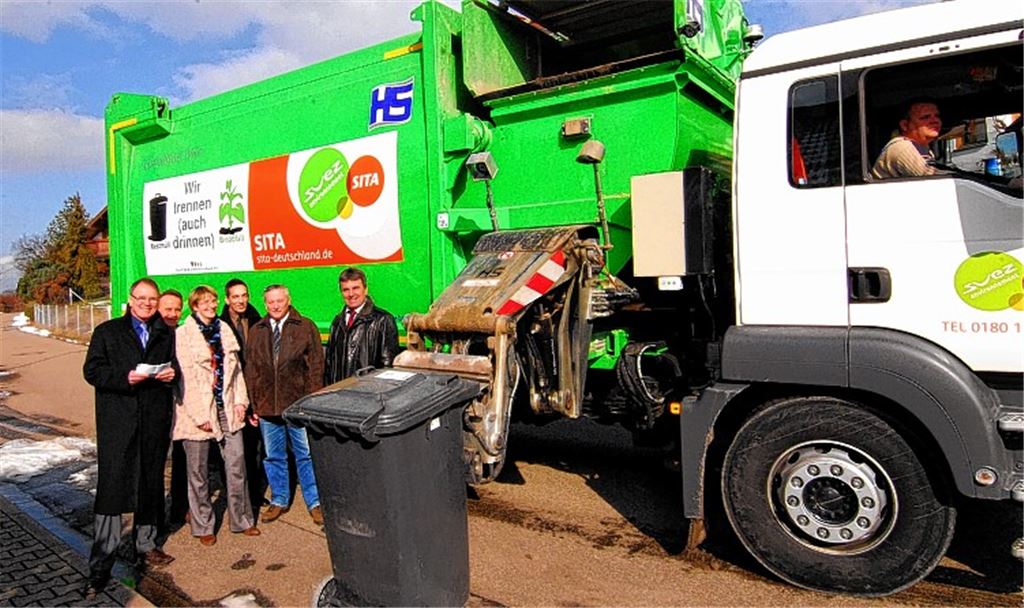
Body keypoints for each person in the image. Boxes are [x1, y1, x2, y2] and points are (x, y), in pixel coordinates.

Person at [82, 278, 176, 599]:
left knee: (149, 484)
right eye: (142, 298)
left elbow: (173, 365)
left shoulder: (165, 332)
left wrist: (170, 373)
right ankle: (100, 565)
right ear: (130, 299)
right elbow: (92, 371)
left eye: (153, 300)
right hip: (118, 424)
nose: (147, 304)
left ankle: (146, 545)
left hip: (153, 421)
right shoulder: (107, 332)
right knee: (113, 490)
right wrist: (125, 378)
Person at [173, 285, 259, 545]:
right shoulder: (183, 334)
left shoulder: (223, 329)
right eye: (204, 303)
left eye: (213, 301)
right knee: (197, 472)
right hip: (196, 411)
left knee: (237, 464)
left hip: (227, 406)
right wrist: (200, 415)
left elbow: (236, 372)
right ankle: (203, 525)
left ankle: (241, 519)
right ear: (195, 306)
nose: (210, 306)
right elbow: (184, 379)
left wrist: (241, 402)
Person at [245, 284, 325, 525]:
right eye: (271, 302)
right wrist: (254, 403)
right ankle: (279, 499)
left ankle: (315, 502)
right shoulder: (257, 330)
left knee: (306, 455)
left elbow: (316, 367)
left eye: (280, 300)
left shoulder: (305, 326)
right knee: (273, 456)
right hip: (268, 407)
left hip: (297, 405)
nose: (276, 305)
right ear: (265, 304)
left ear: (288, 300)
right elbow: (251, 370)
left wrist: (310, 402)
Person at [217, 278, 266, 515]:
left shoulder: (255, 319)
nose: (240, 300)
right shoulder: (219, 325)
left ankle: (255, 495)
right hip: (232, 393)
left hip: (254, 388)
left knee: (255, 446)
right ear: (227, 299)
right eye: (235, 296)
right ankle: (236, 495)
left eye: (244, 295)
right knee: (235, 450)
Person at [324, 267, 400, 385]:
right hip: (338, 395)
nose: (351, 294)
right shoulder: (337, 322)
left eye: (355, 288)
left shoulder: (383, 320)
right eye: (346, 290)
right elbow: (329, 364)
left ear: (365, 289)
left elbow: (388, 366)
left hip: (366, 395)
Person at [158, 289, 190, 526]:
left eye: (177, 309)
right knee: (156, 463)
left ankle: (180, 508)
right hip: (156, 407)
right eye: (168, 309)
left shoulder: (181, 334)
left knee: (182, 459)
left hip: (180, 406)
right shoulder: (154, 333)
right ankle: (155, 516)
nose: (173, 313)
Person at [871, 100, 943, 180]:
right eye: (925, 117)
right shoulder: (901, 147)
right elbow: (932, 178)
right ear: (904, 125)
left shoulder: (925, 149)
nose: (935, 121)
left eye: (937, 116)